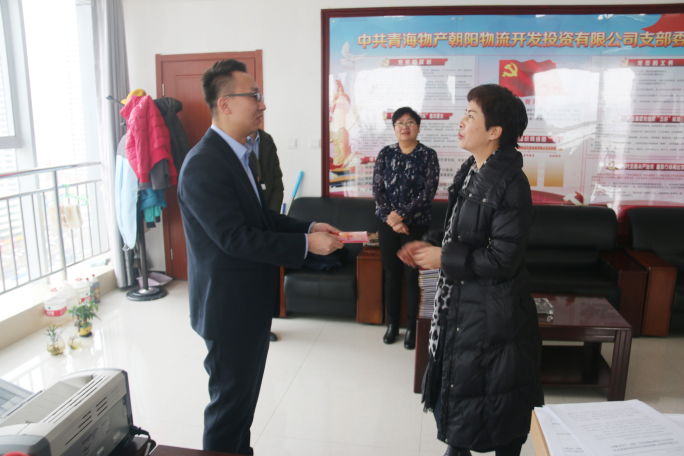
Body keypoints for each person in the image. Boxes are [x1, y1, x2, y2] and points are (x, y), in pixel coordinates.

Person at [177, 59, 343, 456]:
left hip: (248, 305)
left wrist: (308, 227)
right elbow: (234, 238)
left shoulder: (239, 155)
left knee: (242, 409)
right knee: (228, 411)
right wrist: (306, 246)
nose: (262, 104)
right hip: (228, 309)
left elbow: (262, 219)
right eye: (253, 96)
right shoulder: (204, 164)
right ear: (225, 104)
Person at [398, 84, 544, 456]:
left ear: (494, 131)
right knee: (463, 404)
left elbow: (501, 260)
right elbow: (463, 233)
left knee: (500, 414)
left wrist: (443, 257)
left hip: (493, 317)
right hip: (463, 309)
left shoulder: (511, 184)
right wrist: (430, 244)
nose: (460, 122)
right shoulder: (472, 172)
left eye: (471, 116)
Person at [373, 106, 440, 349]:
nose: (405, 127)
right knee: (392, 274)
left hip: (417, 224)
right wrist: (393, 220)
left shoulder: (428, 155)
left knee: (413, 277)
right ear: (394, 128)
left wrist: (401, 215)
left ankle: (412, 328)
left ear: (418, 127)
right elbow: (378, 190)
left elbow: (428, 192)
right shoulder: (385, 153)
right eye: (399, 123)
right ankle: (392, 325)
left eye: (410, 122)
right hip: (387, 224)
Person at [247, 129, 285, 342]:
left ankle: (265, 324)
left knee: (266, 275)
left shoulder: (267, 140)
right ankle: (251, 323)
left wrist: (270, 215)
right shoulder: (237, 140)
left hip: (268, 215)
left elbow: (277, 182)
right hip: (248, 219)